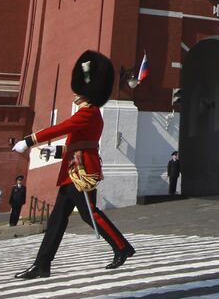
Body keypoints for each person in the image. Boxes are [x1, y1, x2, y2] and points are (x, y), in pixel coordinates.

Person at [12, 50, 136, 280]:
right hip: (73, 171)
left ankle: (122, 247)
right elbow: (77, 142)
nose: (76, 95)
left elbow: (62, 128)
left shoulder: (88, 113)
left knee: (91, 214)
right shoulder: (88, 113)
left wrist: (29, 141)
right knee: (57, 220)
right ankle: (42, 265)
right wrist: (55, 150)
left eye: (80, 92)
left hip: (80, 173)